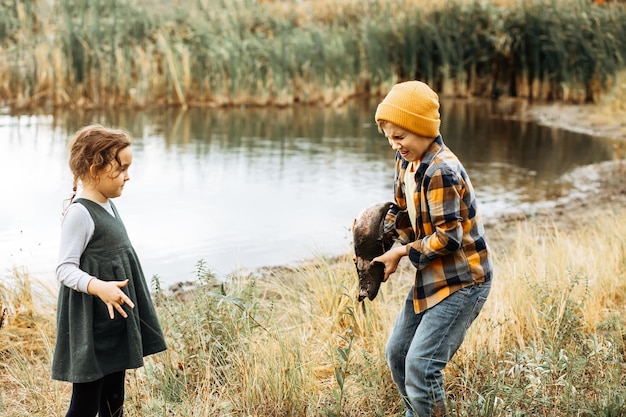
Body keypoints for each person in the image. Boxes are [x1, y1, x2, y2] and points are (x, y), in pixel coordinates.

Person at [371, 81, 493, 417]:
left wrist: (400, 254)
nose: (395, 146)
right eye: (389, 138)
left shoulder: (442, 170)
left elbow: (448, 238)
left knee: (422, 366)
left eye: (400, 137)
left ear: (422, 128)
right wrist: (373, 237)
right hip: (432, 276)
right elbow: (402, 217)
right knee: (398, 354)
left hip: (464, 281)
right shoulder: (406, 164)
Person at [51, 124, 167, 417]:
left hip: (114, 320)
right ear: (95, 169)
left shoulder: (108, 204)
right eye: (122, 168)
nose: (128, 176)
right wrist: (98, 286)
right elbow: (65, 269)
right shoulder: (80, 213)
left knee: (114, 397)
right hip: (91, 325)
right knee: (86, 403)